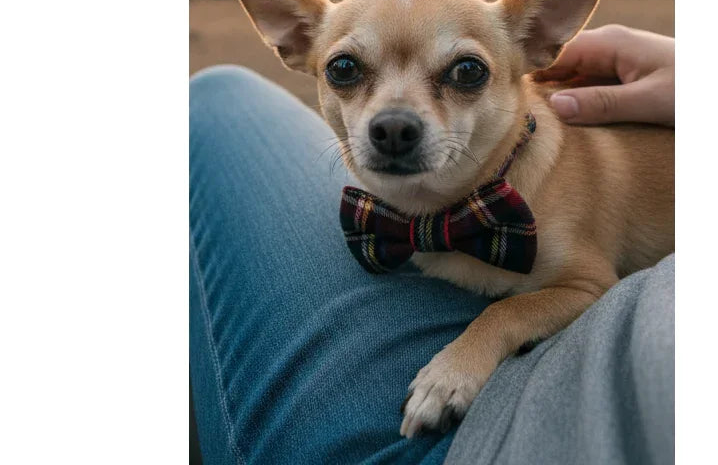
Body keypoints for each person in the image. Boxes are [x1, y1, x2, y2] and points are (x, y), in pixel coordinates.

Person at [190, 25, 675, 465]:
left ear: (535, 42)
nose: (394, 119)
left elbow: (586, 285)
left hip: (494, 437)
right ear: (297, 43)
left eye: (464, 72)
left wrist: (493, 332)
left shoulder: (562, 204)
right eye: (347, 70)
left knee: (216, 94)